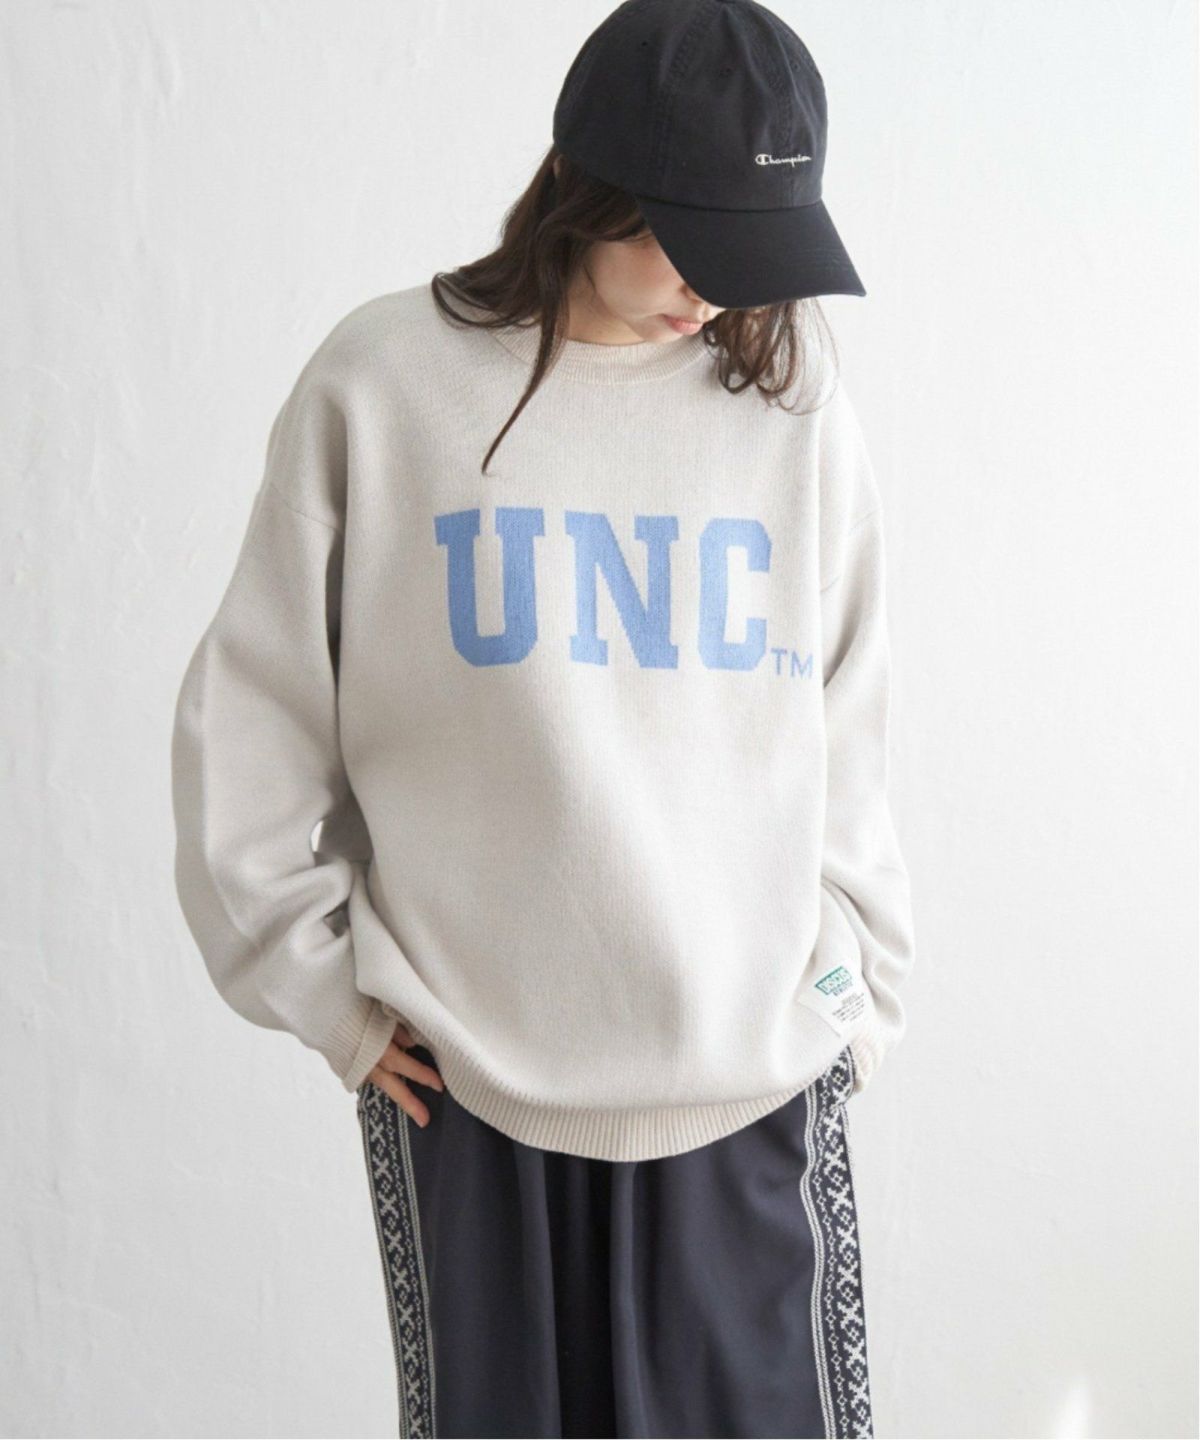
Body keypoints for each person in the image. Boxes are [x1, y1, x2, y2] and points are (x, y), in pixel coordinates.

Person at [169, 1, 916, 1435]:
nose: (720, 291)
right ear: (582, 183)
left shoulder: (794, 400)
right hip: (472, 1092)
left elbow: (851, 718)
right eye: (689, 238)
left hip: (753, 1084)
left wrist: (854, 1004)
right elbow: (250, 722)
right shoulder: (384, 385)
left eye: (756, 251)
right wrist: (324, 993)